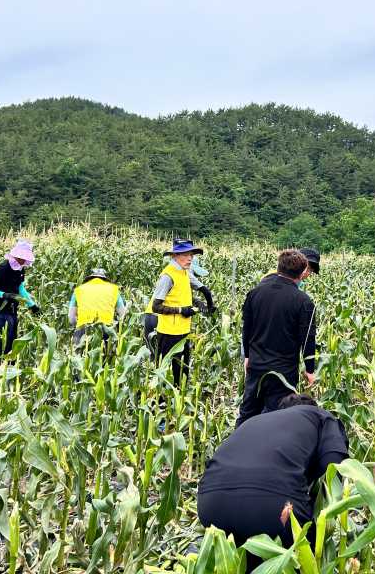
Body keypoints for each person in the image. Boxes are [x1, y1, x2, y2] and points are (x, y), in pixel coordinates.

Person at [198, 394, 348, 572]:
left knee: (248, 558)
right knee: (307, 547)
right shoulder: (321, 416)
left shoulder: (254, 421)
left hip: (210, 504)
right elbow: (332, 469)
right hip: (274, 509)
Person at [238, 250, 317, 427]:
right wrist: (310, 370)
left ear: (278, 267)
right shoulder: (304, 301)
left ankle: (238, 447)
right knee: (277, 418)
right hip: (283, 371)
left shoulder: (255, 292)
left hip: (256, 365)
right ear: (303, 271)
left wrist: (248, 356)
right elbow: (308, 339)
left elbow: (247, 328)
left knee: (248, 412)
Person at [149, 239, 216, 384]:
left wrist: (203, 302)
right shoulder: (168, 276)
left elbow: (183, 296)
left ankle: (179, 398)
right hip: (168, 333)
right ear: (175, 256)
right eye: (185, 254)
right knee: (165, 371)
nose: (190, 258)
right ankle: (160, 403)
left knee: (182, 370)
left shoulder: (184, 273)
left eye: (191, 254)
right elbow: (156, 306)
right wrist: (181, 310)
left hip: (183, 331)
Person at [0, 240, 41, 356]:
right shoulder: (2, 268)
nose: (24, 260)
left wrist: (31, 305)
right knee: (0, 347)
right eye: (22, 257)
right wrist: (4, 295)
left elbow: (21, 288)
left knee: (12, 346)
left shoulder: (20, 269)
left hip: (12, 312)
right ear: (16, 255)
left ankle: (11, 370)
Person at [143, 255, 210, 356]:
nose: (195, 277)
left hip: (151, 316)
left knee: (158, 357)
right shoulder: (178, 275)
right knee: (165, 358)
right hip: (161, 318)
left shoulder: (179, 276)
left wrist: (197, 302)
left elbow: (178, 297)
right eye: (195, 274)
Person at [69, 267, 128, 348]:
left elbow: (71, 318)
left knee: (78, 357)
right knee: (105, 358)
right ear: (105, 279)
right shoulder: (113, 290)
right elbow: (122, 314)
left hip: (83, 330)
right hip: (106, 330)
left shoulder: (78, 290)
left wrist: (80, 327)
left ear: (89, 279)